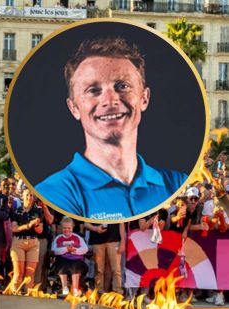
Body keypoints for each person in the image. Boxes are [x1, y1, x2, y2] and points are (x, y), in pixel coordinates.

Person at [35, 37, 188, 220]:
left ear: (144, 98)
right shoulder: (55, 192)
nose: (110, 100)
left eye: (122, 86)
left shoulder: (178, 183)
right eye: (93, 90)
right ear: (74, 107)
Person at [9, 190, 46, 290]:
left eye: (31, 195)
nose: (29, 198)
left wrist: (36, 224)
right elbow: (14, 228)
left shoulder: (38, 211)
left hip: (33, 243)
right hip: (18, 242)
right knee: (18, 273)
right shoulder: (17, 211)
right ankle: (13, 295)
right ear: (22, 196)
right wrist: (28, 225)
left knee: (30, 274)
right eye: (27, 195)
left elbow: (40, 231)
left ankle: (28, 298)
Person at [51, 217, 91, 296]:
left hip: (76, 260)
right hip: (63, 259)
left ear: (72, 227)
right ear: (61, 228)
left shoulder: (77, 237)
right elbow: (54, 250)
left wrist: (74, 250)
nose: (67, 230)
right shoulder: (58, 238)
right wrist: (66, 249)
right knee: (62, 265)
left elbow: (85, 249)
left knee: (75, 266)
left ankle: (75, 288)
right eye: (64, 228)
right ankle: (65, 288)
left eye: (69, 228)